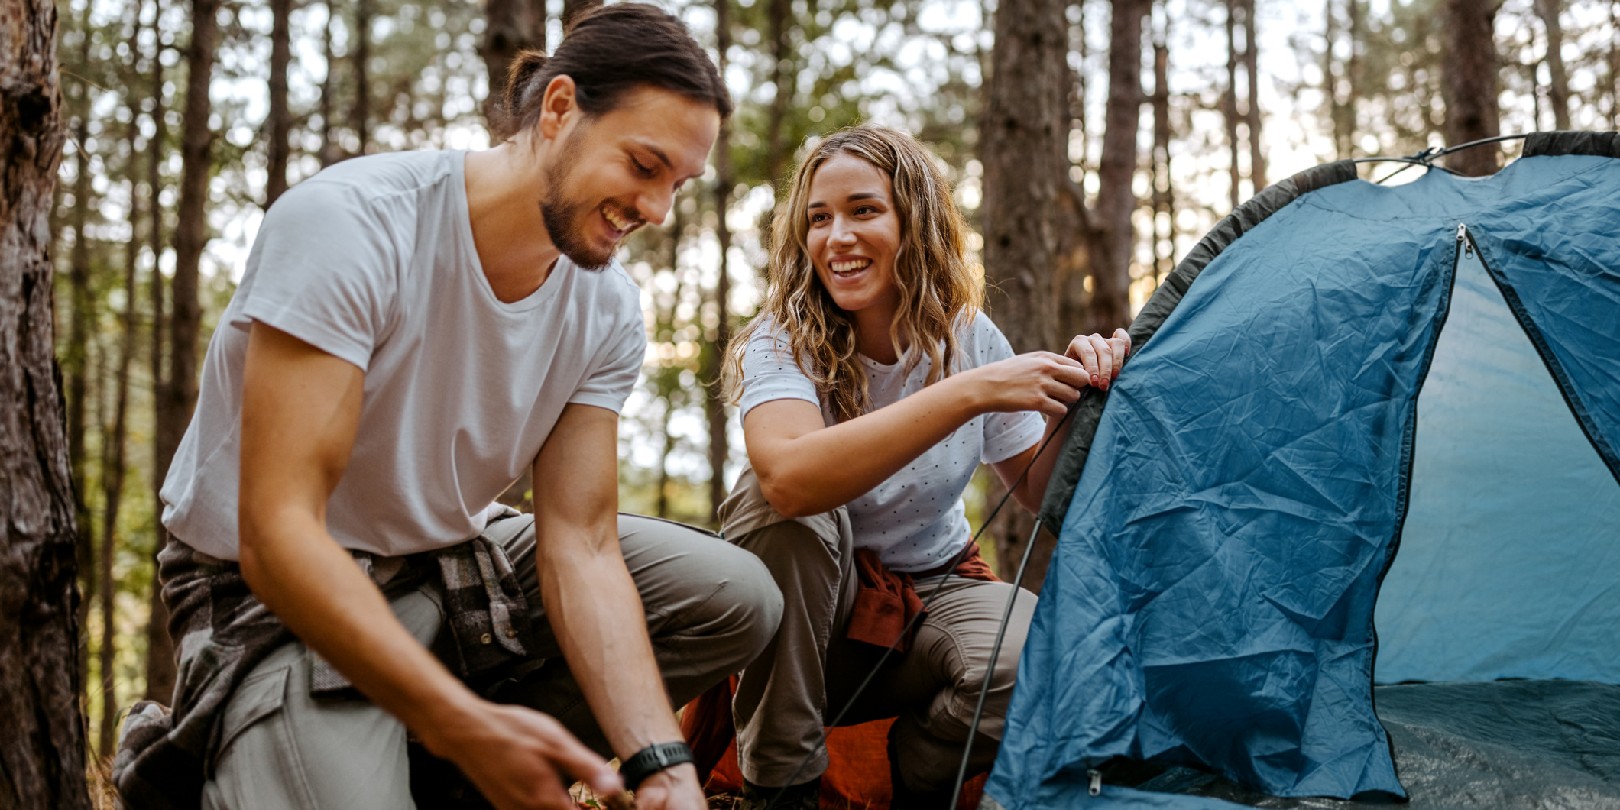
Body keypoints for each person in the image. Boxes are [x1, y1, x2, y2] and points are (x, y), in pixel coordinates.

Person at [111, 6, 782, 810]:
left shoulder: (607, 309)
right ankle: (254, 746)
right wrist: (464, 721)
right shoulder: (352, 225)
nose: (659, 209)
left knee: (735, 596)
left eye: (678, 183)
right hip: (272, 593)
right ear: (559, 108)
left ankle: (435, 768)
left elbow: (583, 544)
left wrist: (663, 764)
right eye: (644, 165)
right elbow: (278, 533)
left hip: (450, 558)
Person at [718, 124, 1131, 808]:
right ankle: (780, 789)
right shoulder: (780, 341)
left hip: (931, 597)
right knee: (780, 509)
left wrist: (1077, 400)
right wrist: (970, 391)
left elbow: (1037, 490)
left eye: (863, 210)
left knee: (1043, 659)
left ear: (916, 221)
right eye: (818, 219)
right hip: (809, 622)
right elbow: (789, 479)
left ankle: (911, 778)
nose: (836, 237)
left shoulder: (968, 337)